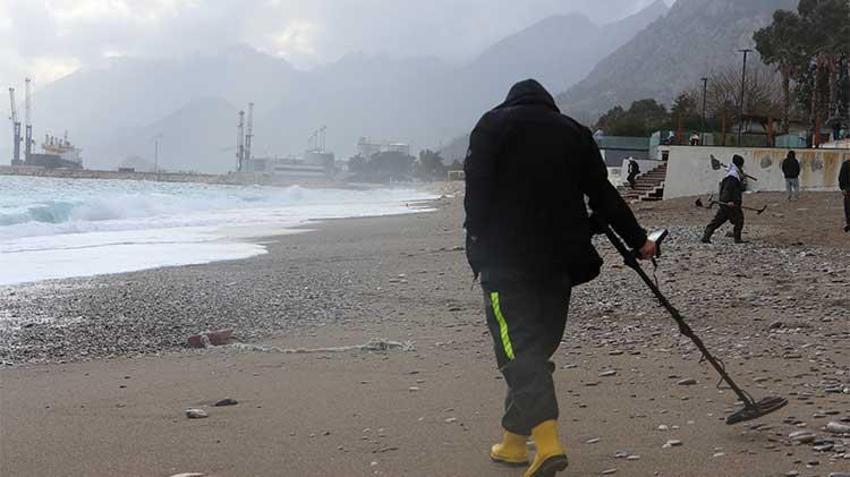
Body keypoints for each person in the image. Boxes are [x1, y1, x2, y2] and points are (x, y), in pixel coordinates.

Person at [464, 79, 656, 477]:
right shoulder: (573, 132)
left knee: (517, 352)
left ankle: (548, 445)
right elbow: (603, 194)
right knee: (535, 350)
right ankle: (514, 443)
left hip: (506, 261)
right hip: (559, 263)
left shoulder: (491, 126)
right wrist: (639, 240)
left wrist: (478, 244)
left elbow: (476, 195)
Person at [701, 155, 747, 244]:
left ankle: (706, 236)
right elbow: (728, 190)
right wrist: (729, 201)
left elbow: (738, 188)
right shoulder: (732, 176)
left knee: (718, 220)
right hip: (730, 203)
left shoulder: (733, 174)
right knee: (738, 220)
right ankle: (737, 239)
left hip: (728, 203)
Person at [840, 158, 850, 233]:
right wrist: (843, 188)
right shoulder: (846, 164)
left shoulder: (846, 164)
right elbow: (842, 177)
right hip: (848, 190)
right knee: (848, 208)